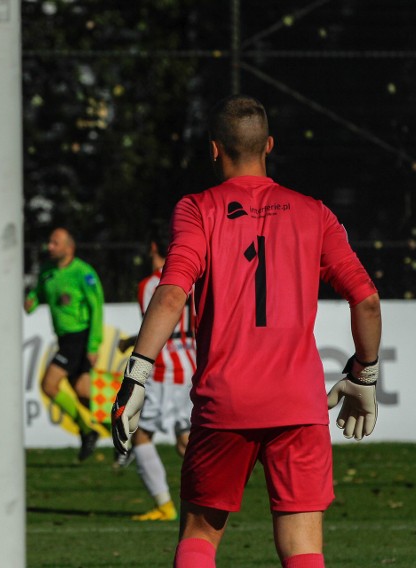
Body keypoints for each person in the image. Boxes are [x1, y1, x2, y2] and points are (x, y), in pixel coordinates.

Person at [111, 95, 382, 568]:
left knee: (199, 536)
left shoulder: (198, 209)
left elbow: (172, 293)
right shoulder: (313, 212)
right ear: (269, 146)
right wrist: (364, 375)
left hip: (225, 401)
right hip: (298, 404)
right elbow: (367, 299)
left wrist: (137, 375)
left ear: (214, 150)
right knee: (303, 549)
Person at [116, 226, 196, 522]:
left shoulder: (151, 284)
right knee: (186, 440)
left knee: (141, 436)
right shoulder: (192, 278)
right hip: (191, 361)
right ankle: (214, 492)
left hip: (164, 369)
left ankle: (164, 505)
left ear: (152, 247)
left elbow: (159, 323)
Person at [25, 227, 105, 462]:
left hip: (78, 338)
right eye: (49, 242)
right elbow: (38, 294)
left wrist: (93, 345)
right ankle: (125, 435)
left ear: (69, 248)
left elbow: (96, 309)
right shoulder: (48, 272)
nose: (50, 246)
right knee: (83, 393)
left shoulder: (83, 273)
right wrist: (31, 299)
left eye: (55, 243)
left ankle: (86, 430)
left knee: (49, 385)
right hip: (64, 339)